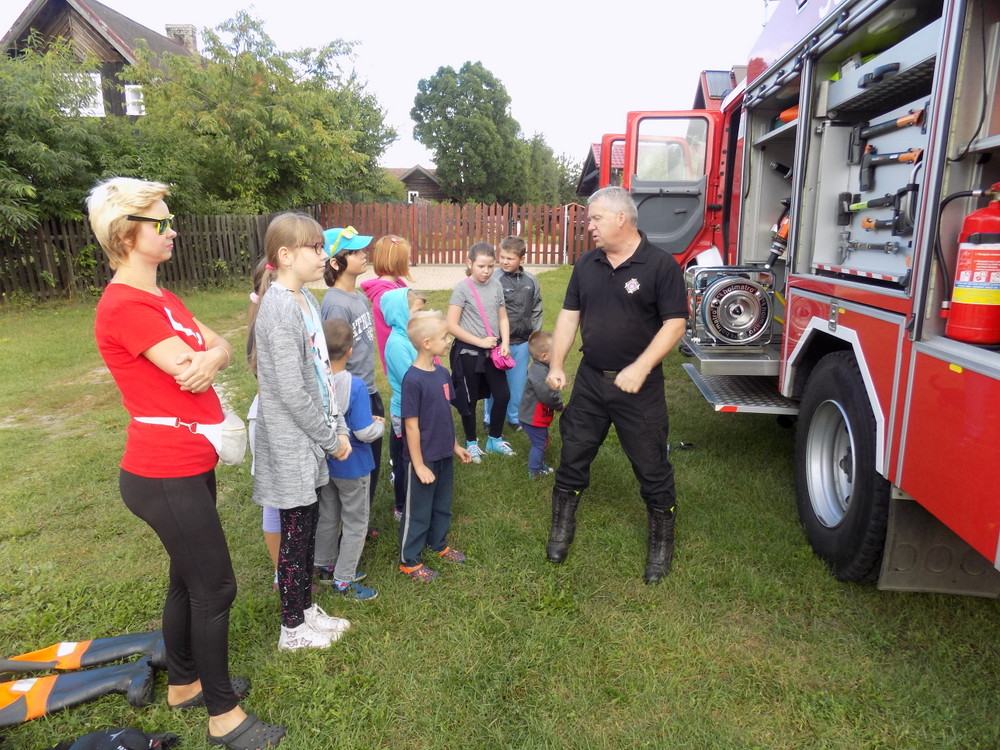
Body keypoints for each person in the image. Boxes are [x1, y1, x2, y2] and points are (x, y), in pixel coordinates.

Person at [89, 177, 284, 749]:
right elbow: (184, 366)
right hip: (162, 473)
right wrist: (206, 356)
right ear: (125, 234)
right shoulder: (125, 305)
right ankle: (223, 715)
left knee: (187, 577)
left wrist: (214, 355)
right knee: (215, 587)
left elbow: (216, 348)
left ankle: (183, 683)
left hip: (188, 463)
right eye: (161, 222)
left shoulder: (162, 299)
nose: (172, 230)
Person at [544, 186, 687, 584]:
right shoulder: (586, 264)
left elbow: (675, 323)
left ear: (622, 218)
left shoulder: (660, 265)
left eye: (595, 218)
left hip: (639, 388)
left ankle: (661, 543)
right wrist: (557, 363)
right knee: (573, 455)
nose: (588, 226)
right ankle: (561, 528)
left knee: (651, 466)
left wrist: (641, 367)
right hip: (591, 381)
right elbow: (569, 316)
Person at [249, 211, 354, 651]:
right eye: (315, 247)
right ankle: (291, 630)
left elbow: (322, 375)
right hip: (292, 443)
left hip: (312, 439)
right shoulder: (278, 310)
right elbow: (291, 393)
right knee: (294, 538)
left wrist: (338, 424)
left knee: (307, 529)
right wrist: (330, 439)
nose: (324, 254)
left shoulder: (306, 300)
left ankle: (306, 610)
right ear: (286, 255)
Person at [314, 318, 384, 601]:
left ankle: (324, 565)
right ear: (350, 351)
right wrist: (380, 425)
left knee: (328, 515)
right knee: (356, 522)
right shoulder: (355, 385)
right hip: (354, 466)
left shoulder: (315, 381)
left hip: (326, 463)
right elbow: (364, 432)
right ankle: (344, 579)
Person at [399, 311, 473, 581]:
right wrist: (418, 465)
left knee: (442, 504)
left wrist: (455, 445)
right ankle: (409, 560)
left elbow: (445, 414)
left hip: (443, 453)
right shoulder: (413, 379)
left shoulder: (442, 373)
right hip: (424, 457)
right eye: (444, 337)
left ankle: (438, 544)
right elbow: (411, 426)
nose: (448, 340)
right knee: (418, 510)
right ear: (427, 343)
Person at [320, 226, 384, 518]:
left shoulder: (356, 296)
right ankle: (349, 527)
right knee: (353, 467)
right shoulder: (335, 303)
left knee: (372, 461)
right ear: (336, 263)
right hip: (350, 395)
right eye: (355, 252)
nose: (363, 255)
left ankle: (359, 520)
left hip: (367, 388)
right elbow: (332, 356)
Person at [447, 242, 515, 462]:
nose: (486, 271)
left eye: (490, 266)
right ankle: (471, 442)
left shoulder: (496, 285)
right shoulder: (462, 288)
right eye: (481, 266)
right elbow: (451, 325)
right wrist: (480, 342)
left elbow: (502, 317)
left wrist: (505, 342)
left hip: (493, 353)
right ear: (470, 263)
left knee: (503, 395)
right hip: (468, 355)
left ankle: (494, 439)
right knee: (469, 400)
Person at [485, 236, 543, 433]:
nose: (504, 261)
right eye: (502, 257)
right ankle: (489, 417)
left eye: (510, 258)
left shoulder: (531, 281)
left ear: (522, 259)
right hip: (499, 343)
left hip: (522, 342)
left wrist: (534, 334)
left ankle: (514, 417)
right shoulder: (494, 279)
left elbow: (537, 308)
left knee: (517, 385)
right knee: (494, 383)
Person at [382, 287, 425, 521]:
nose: (420, 316)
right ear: (400, 313)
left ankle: (416, 495)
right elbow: (411, 380)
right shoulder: (397, 343)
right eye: (416, 311)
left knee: (414, 455)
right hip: (406, 410)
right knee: (403, 460)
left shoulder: (410, 338)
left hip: (418, 407)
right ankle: (401, 506)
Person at [360, 234, 413, 374]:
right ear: (397, 261)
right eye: (407, 258)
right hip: (403, 358)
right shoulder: (387, 294)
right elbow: (406, 325)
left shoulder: (396, 285)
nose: (409, 262)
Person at [518, 331, 564, 479]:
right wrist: (560, 406)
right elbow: (548, 396)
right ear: (544, 356)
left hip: (531, 416)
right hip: (533, 418)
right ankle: (534, 471)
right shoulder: (540, 374)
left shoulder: (541, 368)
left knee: (542, 441)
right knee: (539, 443)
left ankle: (537, 464)